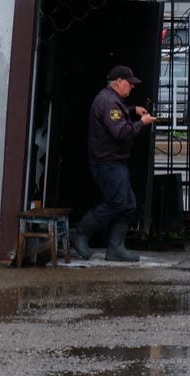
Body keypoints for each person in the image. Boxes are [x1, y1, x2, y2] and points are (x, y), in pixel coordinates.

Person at [72, 64, 154, 262]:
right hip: (107, 162)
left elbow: (117, 115)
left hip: (113, 161)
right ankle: (81, 232)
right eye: (130, 83)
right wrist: (141, 123)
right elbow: (120, 132)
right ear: (119, 82)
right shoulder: (108, 101)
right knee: (118, 202)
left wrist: (133, 110)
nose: (132, 87)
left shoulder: (111, 100)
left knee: (127, 204)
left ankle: (115, 248)